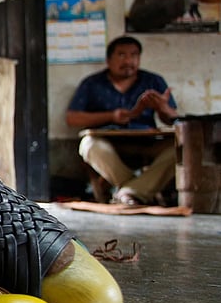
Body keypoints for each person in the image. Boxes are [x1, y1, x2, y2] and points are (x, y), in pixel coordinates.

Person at [66, 35, 180, 205]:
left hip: (148, 143)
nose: (128, 61)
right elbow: (72, 118)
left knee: (180, 148)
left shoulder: (153, 81)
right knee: (88, 145)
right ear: (108, 60)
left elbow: (173, 120)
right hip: (109, 144)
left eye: (134, 55)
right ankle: (136, 190)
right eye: (121, 55)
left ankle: (129, 191)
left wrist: (164, 108)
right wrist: (111, 116)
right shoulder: (92, 83)